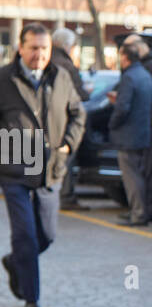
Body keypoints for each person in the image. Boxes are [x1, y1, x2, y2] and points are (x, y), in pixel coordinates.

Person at [0, 22, 85, 307]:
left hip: (50, 170)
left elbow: (78, 114)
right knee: (25, 235)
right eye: (33, 48)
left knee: (45, 236)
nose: (39, 54)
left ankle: (16, 262)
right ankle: (31, 299)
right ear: (20, 49)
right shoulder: (4, 80)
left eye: (44, 48)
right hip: (15, 172)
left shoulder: (60, 77)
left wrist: (67, 146)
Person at [122, 35, 152, 223]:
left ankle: (149, 210)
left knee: (148, 169)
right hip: (145, 123)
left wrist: (151, 122)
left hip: (148, 124)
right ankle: (145, 209)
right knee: (145, 168)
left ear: (138, 47)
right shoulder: (150, 64)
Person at [108, 43, 152, 226]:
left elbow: (123, 107)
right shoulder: (145, 75)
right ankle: (138, 210)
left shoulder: (128, 78)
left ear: (125, 58)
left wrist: (112, 123)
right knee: (138, 174)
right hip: (141, 133)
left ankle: (138, 213)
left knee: (131, 177)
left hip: (128, 134)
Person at [51, 28, 90, 211]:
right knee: (65, 161)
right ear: (67, 46)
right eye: (74, 45)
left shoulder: (49, 62)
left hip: (50, 123)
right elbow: (79, 98)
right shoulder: (66, 66)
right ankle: (65, 196)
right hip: (64, 123)